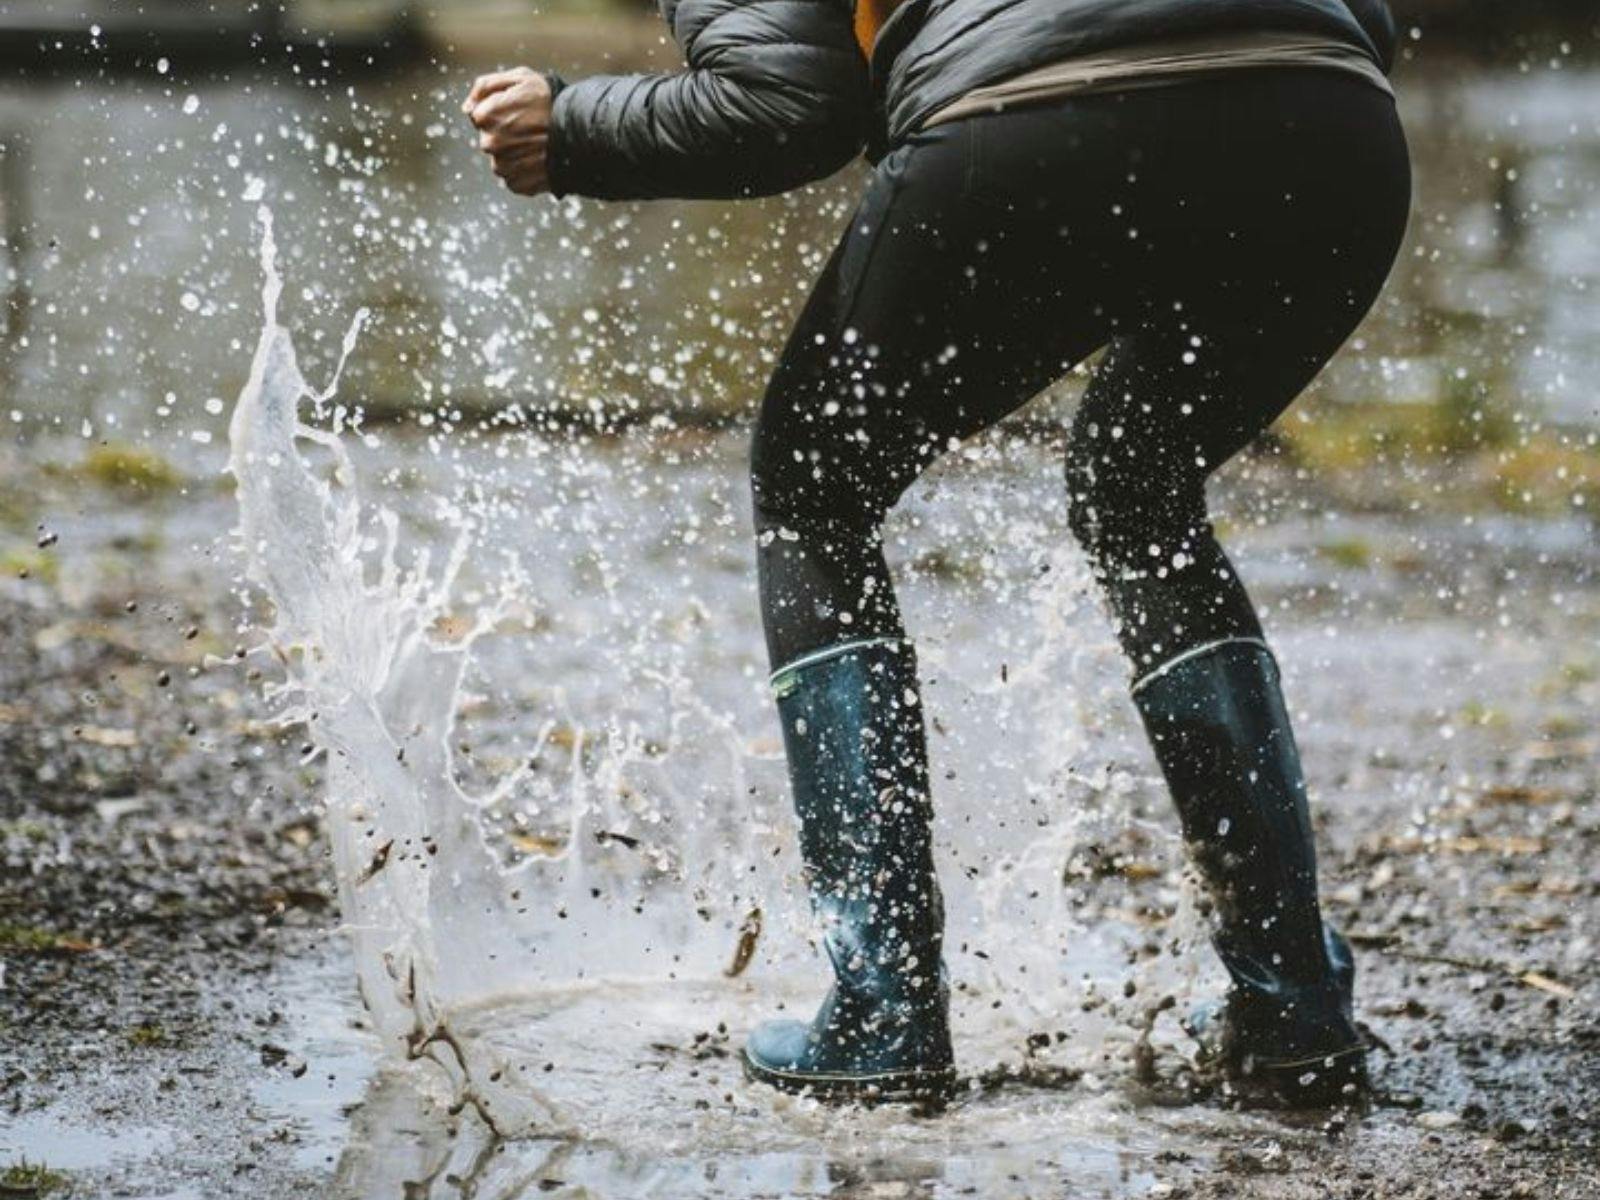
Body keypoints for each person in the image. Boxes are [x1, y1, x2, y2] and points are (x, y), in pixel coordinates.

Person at [463, 0, 1409, 1108]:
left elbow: (786, 105)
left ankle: (885, 1012)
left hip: (1035, 119)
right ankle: (1293, 1010)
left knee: (815, 492)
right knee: (1139, 489)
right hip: (1331, 124)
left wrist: (572, 125)